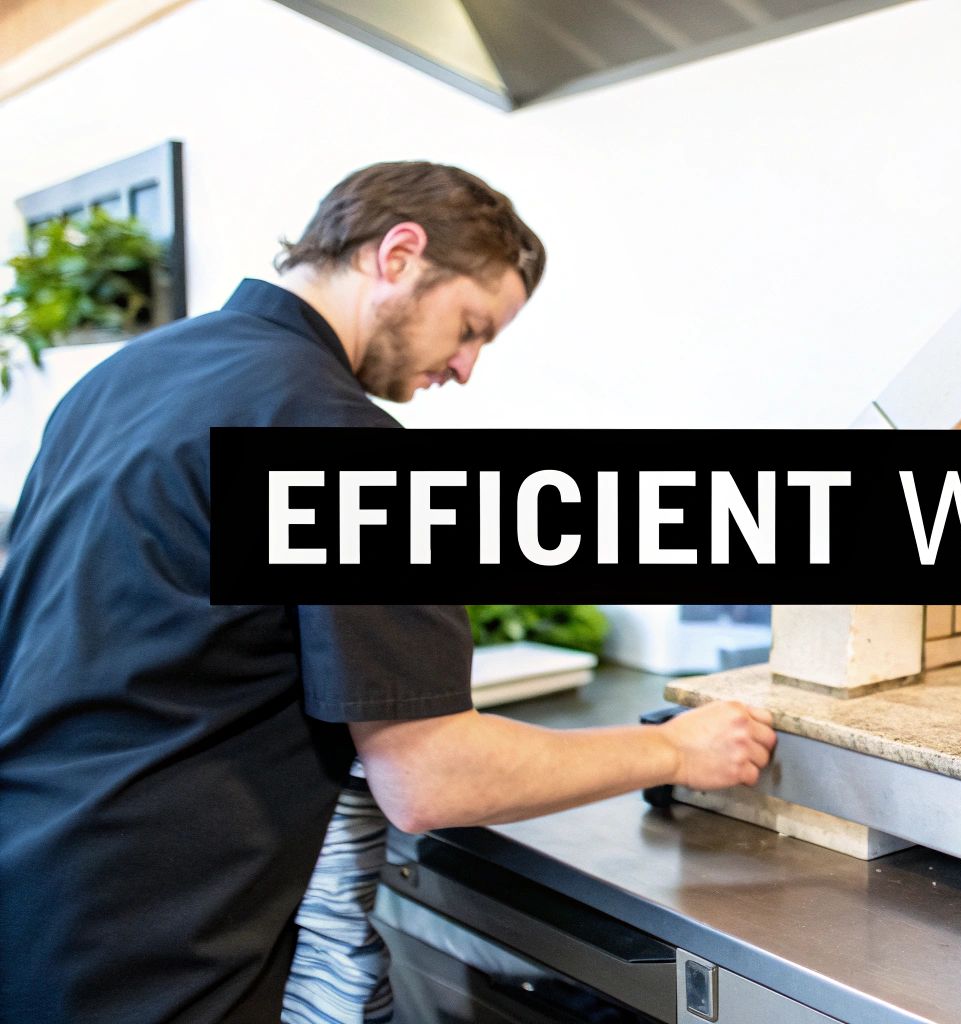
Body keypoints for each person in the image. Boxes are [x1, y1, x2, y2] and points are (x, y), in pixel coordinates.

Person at [0, 162, 776, 1023]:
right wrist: (679, 751)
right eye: (471, 326)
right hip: (164, 941)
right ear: (399, 255)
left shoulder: (131, 374)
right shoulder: (337, 433)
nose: (468, 367)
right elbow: (432, 777)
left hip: (35, 886)